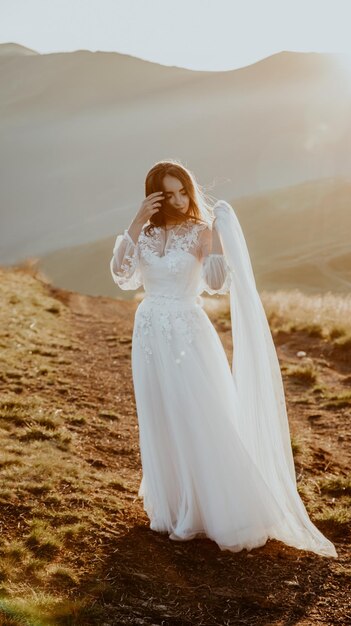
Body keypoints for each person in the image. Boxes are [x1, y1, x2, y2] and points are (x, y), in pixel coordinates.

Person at [110, 159, 338, 557]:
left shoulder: (203, 230)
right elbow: (122, 275)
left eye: (184, 191)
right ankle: (179, 505)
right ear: (154, 196)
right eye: (169, 193)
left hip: (187, 331)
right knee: (160, 413)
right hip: (148, 332)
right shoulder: (144, 235)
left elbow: (217, 284)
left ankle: (223, 510)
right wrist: (133, 223)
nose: (180, 200)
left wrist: (214, 242)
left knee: (200, 414)